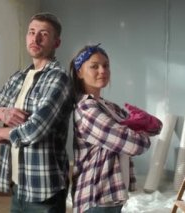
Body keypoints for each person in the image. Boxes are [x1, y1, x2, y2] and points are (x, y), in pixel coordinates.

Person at [0, 12, 73, 213]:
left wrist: (0, 133)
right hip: (17, 185)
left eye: (43, 34)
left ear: (57, 42)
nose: (35, 38)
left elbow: (34, 130)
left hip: (44, 189)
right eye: (31, 32)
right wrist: (2, 113)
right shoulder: (18, 78)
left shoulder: (59, 79)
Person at [69, 44, 162, 213]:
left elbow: (155, 129)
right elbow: (135, 145)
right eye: (94, 66)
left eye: (106, 65)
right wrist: (139, 132)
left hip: (113, 196)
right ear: (79, 72)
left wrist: (151, 124)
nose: (102, 70)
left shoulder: (109, 107)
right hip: (96, 198)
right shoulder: (87, 109)